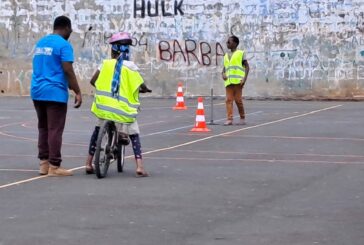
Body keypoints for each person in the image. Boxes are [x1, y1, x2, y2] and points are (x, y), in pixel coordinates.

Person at [84, 32, 151, 177]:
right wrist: (145, 90)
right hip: (123, 111)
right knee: (134, 134)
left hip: (104, 108)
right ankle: (139, 166)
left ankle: (89, 163)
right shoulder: (131, 67)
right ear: (128, 50)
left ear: (113, 50)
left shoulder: (105, 64)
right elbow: (141, 85)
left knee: (97, 132)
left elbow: (93, 81)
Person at [31, 16, 82, 176]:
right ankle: (54, 166)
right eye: (70, 30)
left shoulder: (41, 43)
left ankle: (43, 164)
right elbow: (67, 69)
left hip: (37, 91)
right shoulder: (64, 45)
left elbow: (45, 67)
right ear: (66, 28)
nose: (71, 32)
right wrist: (77, 91)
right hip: (55, 93)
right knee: (55, 129)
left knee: (43, 128)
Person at [221, 35, 250, 126]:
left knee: (238, 100)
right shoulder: (225, 55)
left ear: (235, 43)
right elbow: (224, 69)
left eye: (229, 42)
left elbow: (247, 67)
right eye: (227, 42)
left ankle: (242, 117)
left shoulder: (241, 53)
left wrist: (244, 79)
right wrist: (223, 74)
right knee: (228, 100)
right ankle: (229, 119)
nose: (227, 43)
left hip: (238, 82)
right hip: (228, 82)